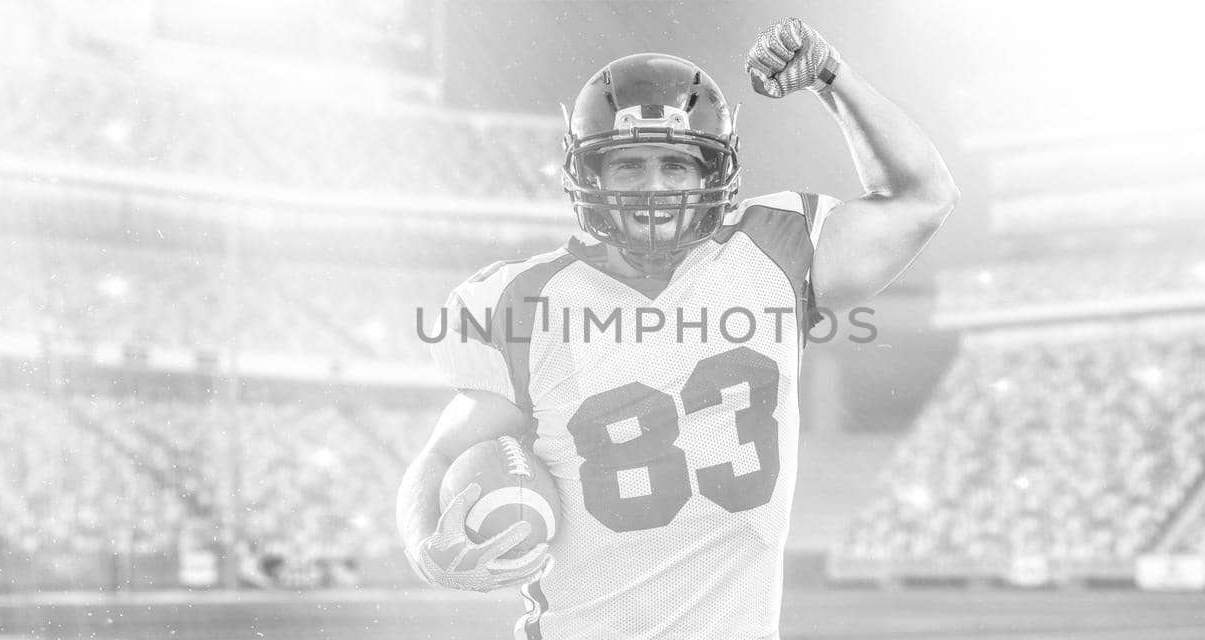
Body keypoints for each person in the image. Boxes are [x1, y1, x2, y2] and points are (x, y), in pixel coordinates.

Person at [396, 18, 958, 639]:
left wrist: (833, 77)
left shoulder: (775, 250)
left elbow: (923, 196)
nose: (655, 188)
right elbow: (443, 452)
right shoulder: (524, 302)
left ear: (711, 174)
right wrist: (426, 542)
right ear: (591, 176)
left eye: (676, 165)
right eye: (629, 167)